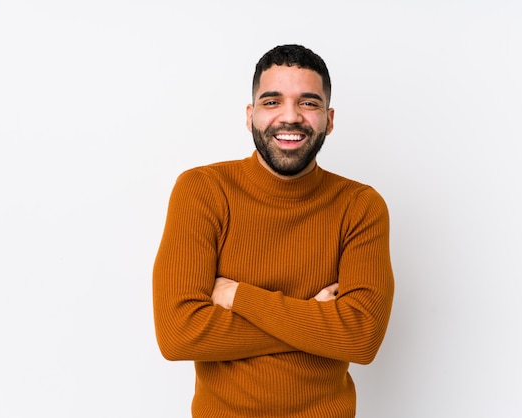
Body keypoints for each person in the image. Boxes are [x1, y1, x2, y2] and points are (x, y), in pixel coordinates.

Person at [153, 44, 395, 418]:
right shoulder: (202, 190)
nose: (290, 117)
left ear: (329, 119)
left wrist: (237, 296)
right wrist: (312, 319)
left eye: (308, 103)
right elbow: (178, 334)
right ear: (250, 116)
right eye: (272, 102)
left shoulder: (360, 205)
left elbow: (361, 338)